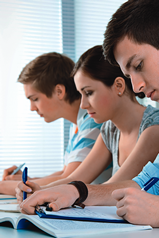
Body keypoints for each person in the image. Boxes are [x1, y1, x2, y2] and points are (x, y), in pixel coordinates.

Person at [18, 0, 159, 236]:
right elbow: (146, 182)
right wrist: (77, 192)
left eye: (139, 65)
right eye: (129, 74)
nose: (136, 86)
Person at [15, 45, 159, 197]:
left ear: (119, 86)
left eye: (89, 92)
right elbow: (77, 178)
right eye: (81, 94)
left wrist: (49, 193)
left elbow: (111, 188)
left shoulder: (156, 127)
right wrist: (38, 190)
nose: (83, 104)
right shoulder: (109, 130)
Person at [0, 52, 108, 195]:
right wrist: (26, 180)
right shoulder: (76, 125)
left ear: (59, 91)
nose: (32, 108)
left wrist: (3, 187)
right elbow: (64, 172)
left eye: (35, 99)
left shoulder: (93, 123)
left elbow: (68, 179)